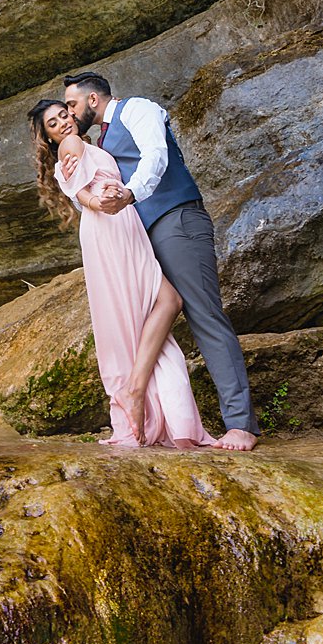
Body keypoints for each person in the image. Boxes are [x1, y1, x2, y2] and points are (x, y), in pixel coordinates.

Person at [61, 71, 258, 451]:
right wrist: (73, 181)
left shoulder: (137, 110)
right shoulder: (97, 143)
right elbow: (92, 192)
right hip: (142, 240)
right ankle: (161, 422)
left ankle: (241, 425)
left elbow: (156, 155)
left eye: (71, 104)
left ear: (92, 99)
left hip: (177, 220)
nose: (69, 113)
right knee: (150, 321)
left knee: (205, 316)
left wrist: (131, 193)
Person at [30, 98, 222, 448]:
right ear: (49, 137)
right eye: (53, 124)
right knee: (167, 299)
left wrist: (97, 199)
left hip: (117, 223)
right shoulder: (72, 146)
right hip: (111, 223)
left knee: (146, 310)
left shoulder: (81, 146)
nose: (63, 123)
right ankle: (137, 393)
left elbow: (77, 189)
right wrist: (98, 201)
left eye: (64, 114)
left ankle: (136, 395)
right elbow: (82, 193)